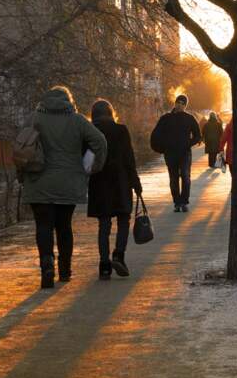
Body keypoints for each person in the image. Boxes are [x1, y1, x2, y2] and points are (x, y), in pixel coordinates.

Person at [22, 86, 107, 289]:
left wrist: (21, 174)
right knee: (64, 226)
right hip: (68, 182)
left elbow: (21, 148)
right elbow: (100, 141)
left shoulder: (34, 119)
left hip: (38, 181)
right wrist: (94, 166)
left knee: (43, 225)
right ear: (68, 101)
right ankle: (65, 271)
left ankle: (47, 265)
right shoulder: (77, 120)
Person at [87, 99, 142, 280]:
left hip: (99, 183)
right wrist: (136, 183)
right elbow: (129, 159)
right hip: (121, 181)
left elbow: (85, 161)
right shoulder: (121, 130)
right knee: (123, 221)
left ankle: (104, 265)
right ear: (111, 113)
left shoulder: (90, 132)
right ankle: (119, 255)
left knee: (104, 225)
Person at [150, 94, 201, 212]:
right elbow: (155, 135)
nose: (180, 105)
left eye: (183, 103)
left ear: (185, 105)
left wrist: (189, 143)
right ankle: (177, 202)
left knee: (185, 176)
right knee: (173, 178)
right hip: (170, 153)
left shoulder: (189, 118)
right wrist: (161, 148)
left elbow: (198, 135)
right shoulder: (166, 118)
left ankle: (184, 202)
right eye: (178, 102)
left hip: (185, 153)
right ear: (175, 103)